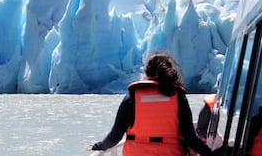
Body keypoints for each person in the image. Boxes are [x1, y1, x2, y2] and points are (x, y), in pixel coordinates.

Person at [86, 52, 214, 156]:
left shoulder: (132, 97)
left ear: (146, 72)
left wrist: (99, 146)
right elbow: (190, 139)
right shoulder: (177, 96)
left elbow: (115, 136)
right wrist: (210, 153)